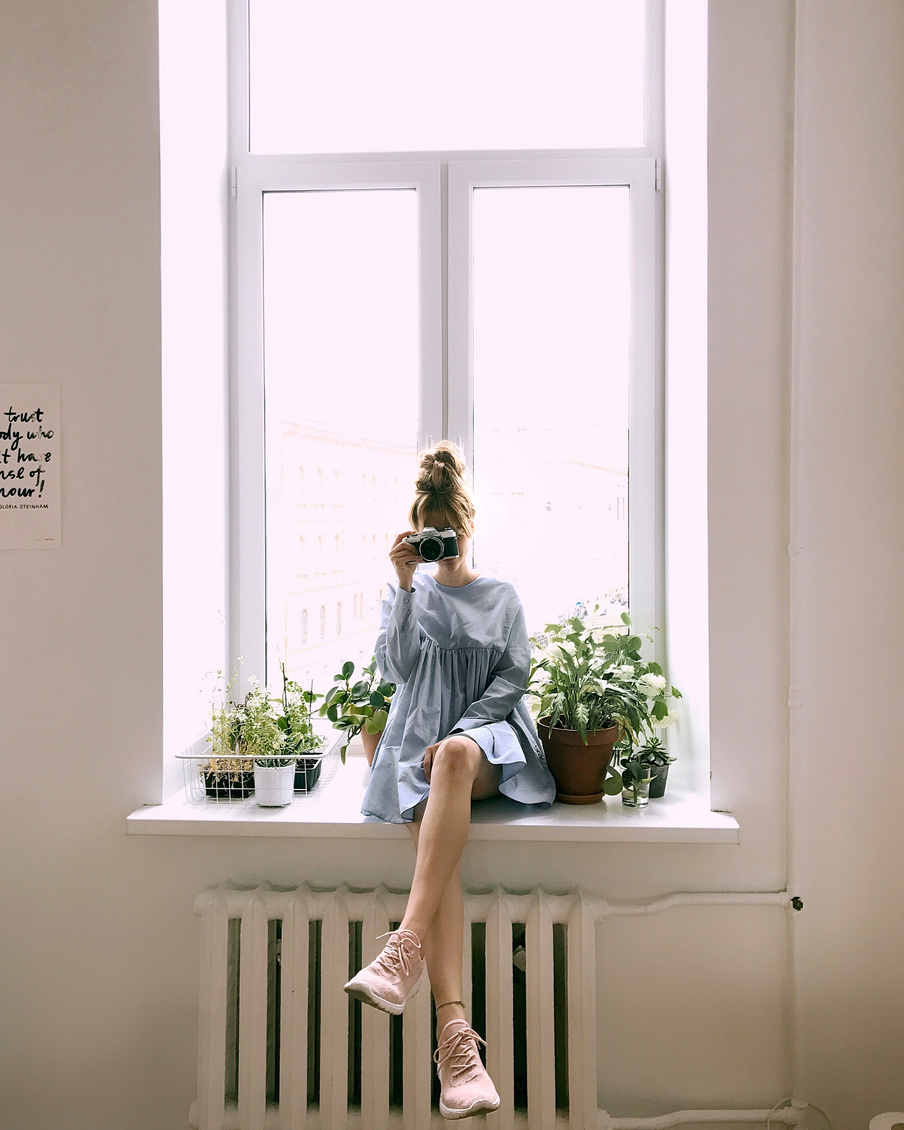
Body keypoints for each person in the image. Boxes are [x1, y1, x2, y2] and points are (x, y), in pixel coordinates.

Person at [344, 441, 556, 1120]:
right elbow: (398, 668)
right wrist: (404, 585)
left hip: (487, 739)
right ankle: (455, 1041)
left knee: (454, 760)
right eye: (430, 538)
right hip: (417, 750)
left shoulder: (502, 596)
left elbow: (516, 675)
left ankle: (402, 948)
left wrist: (464, 729)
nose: (444, 548)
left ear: (467, 526)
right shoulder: (410, 592)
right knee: (440, 850)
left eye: (451, 534)